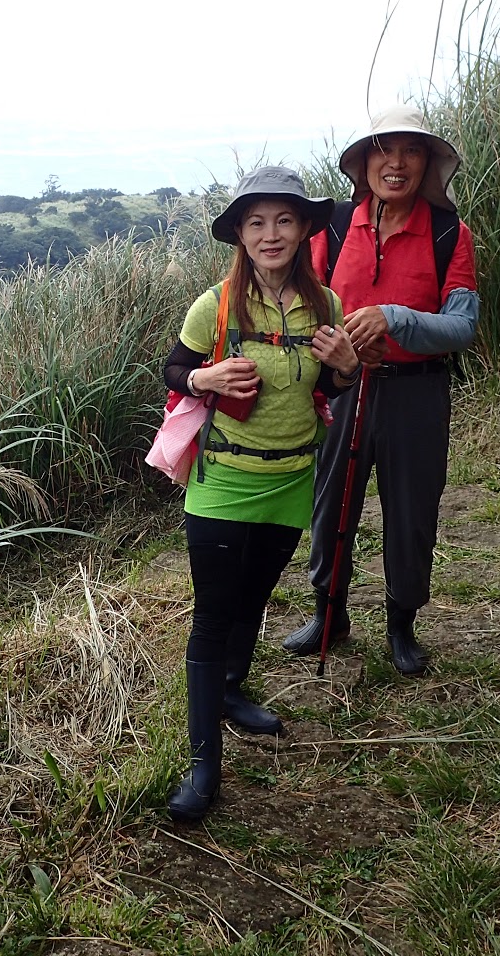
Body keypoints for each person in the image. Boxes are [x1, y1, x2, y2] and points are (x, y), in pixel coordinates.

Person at [161, 165, 362, 823]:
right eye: (256, 222)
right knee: (213, 613)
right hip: (223, 481)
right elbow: (174, 368)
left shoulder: (326, 306)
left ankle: (230, 689)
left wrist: (346, 370)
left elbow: (324, 389)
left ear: (304, 229)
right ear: (240, 235)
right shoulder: (216, 305)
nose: (270, 234)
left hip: (291, 478)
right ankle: (204, 766)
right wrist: (205, 378)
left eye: (283, 220)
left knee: (254, 595)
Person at [281, 105, 480, 677]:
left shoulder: (448, 233)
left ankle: (401, 624)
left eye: (411, 150)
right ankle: (329, 613)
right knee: (330, 501)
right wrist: (339, 350)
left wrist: (394, 319)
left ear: (427, 164)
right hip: (342, 389)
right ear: (364, 162)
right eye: (383, 149)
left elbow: (462, 326)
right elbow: (305, 305)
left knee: (412, 510)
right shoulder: (336, 227)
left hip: (418, 392)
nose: (396, 162)